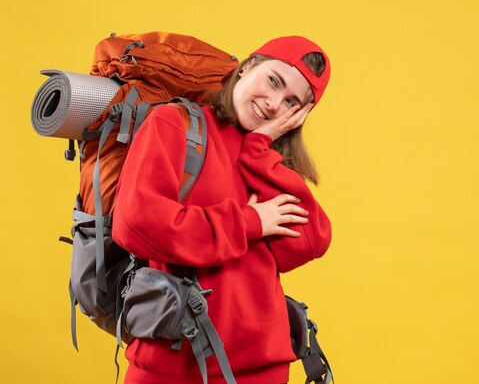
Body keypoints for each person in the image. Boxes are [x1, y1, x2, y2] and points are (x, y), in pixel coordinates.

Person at [112, 35, 332, 384]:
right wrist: (249, 221)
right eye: (273, 81)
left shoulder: (265, 158)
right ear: (247, 67)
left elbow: (308, 243)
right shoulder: (175, 123)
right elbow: (135, 224)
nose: (274, 104)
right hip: (175, 367)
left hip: (263, 368)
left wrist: (259, 149)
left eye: (292, 101)